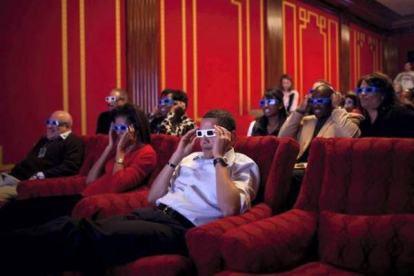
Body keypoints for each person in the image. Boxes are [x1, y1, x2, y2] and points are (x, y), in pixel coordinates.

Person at [0, 109, 260, 275]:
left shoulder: (242, 163)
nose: (204, 138)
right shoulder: (189, 159)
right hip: (153, 213)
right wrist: (178, 154)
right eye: (201, 132)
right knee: (71, 224)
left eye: (211, 133)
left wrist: (218, 157)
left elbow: (229, 208)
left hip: (180, 228)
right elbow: (153, 197)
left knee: (81, 233)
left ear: (229, 136)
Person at [0, 104, 156, 231]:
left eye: (122, 128)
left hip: (90, 202)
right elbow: (90, 179)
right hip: (83, 194)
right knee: (15, 209)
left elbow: (118, 184)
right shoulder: (121, 148)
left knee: (24, 217)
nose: (118, 133)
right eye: (115, 128)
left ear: (135, 128)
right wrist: (110, 147)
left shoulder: (146, 153)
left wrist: (119, 153)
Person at [278, 84, 363, 208]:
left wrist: (337, 108)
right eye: (313, 101)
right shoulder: (307, 120)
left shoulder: (347, 118)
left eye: (322, 101)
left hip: (326, 170)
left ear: (332, 100)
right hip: (301, 168)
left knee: (290, 177)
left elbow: (351, 138)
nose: (316, 104)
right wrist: (299, 111)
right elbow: (282, 137)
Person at [0, 111, 84, 201]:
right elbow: (30, 159)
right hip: (13, 177)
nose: (49, 126)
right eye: (48, 122)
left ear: (66, 126)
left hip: (28, 184)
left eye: (54, 123)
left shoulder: (73, 141)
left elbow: (70, 167)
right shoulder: (45, 139)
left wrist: (42, 175)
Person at [358, 72, 414, 138]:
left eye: (369, 90)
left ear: (383, 93)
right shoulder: (364, 125)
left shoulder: (401, 114)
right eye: (360, 90)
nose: (362, 93)